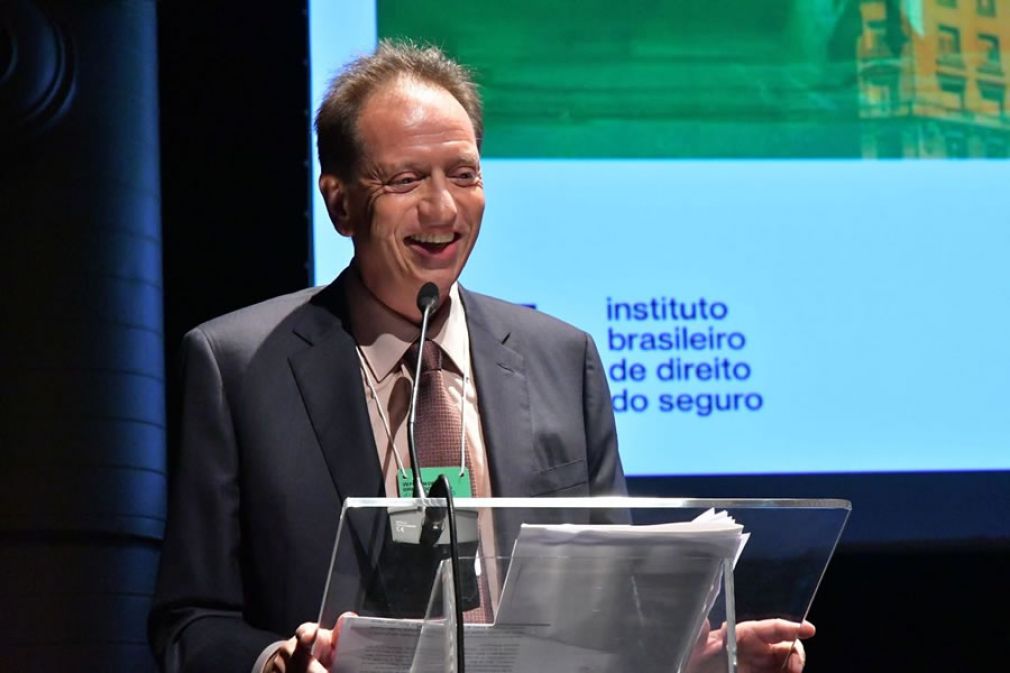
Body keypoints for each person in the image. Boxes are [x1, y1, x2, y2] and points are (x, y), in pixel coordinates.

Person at [148, 40, 813, 673]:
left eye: (463, 174)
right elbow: (190, 621)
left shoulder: (564, 360)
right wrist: (275, 663)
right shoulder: (237, 366)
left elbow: (614, 620)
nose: (443, 208)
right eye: (406, 179)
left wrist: (692, 659)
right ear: (340, 202)